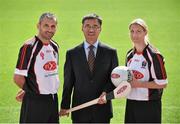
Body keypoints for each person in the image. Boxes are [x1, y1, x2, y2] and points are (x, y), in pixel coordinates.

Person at [60, 13, 118, 123]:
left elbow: (114, 79)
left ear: (100, 29)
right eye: (87, 26)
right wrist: (65, 105)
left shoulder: (110, 52)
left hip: (102, 110)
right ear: (82, 28)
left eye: (95, 26)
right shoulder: (72, 54)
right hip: (80, 110)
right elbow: (68, 82)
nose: (91, 29)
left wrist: (107, 93)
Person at [13, 12, 60, 123]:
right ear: (38, 25)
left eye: (53, 26)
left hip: (53, 99)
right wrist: (30, 91)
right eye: (46, 25)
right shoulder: (28, 46)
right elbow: (18, 77)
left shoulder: (55, 46)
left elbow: (48, 73)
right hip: (35, 101)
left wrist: (32, 86)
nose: (50, 29)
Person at [124, 18, 168, 123]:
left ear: (145, 32)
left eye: (138, 31)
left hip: (149, 105)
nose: (134, 35)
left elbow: (163, 83)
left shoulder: (154, 55)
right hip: (131, 103)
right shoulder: (130, 55)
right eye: (132, 31)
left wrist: (138, 84)